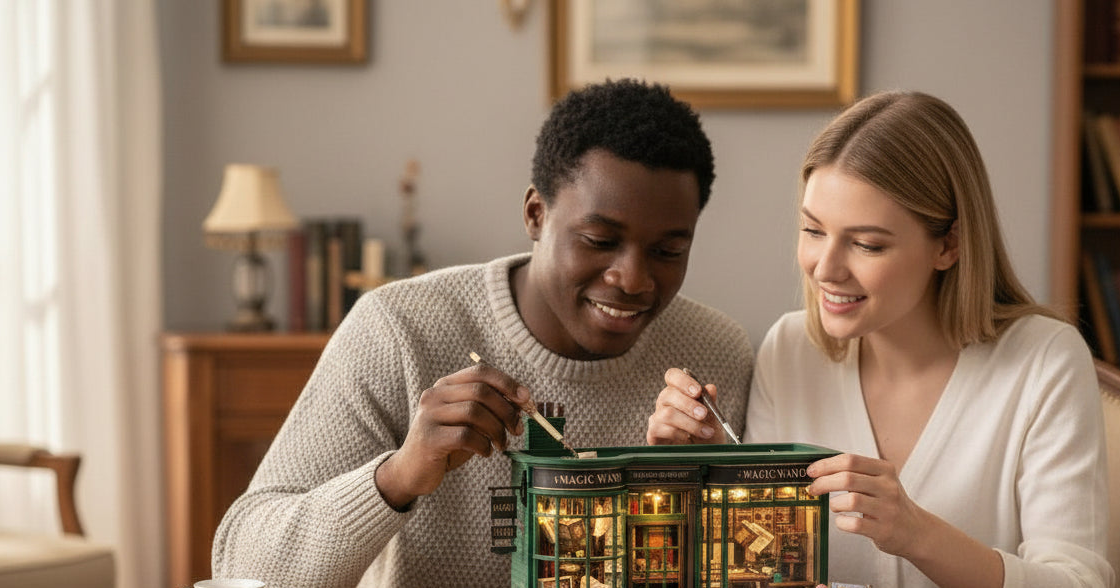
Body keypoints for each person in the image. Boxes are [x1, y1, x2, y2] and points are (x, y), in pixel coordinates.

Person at [212, 79, 754, 587]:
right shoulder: (398, 329)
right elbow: (241, 563)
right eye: (597, 239)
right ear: (536, 214)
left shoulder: (715, 353)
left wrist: (691, 492)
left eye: (668, 252)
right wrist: (398, 477)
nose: (633, 279)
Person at [647, 91, 1112, 588]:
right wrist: (716, 475)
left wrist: (917, 533)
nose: (825, 269)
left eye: (867, 244)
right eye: (813, 230)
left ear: (948, 245)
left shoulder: (1044, 362)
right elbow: (765, 564)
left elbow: (1079, 582)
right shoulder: (791, 349)